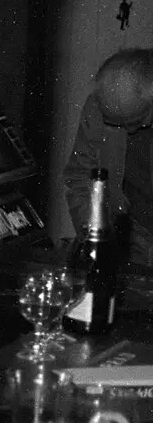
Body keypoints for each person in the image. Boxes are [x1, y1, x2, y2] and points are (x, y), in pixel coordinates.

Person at [63, 48, 153, 266]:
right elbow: (80, 178)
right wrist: (96, 239)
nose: (128, 132)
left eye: (135, 120)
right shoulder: (98, 108)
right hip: (130, 237)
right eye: (115, 123)